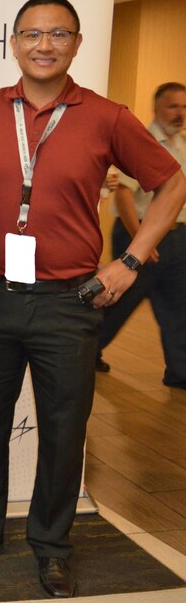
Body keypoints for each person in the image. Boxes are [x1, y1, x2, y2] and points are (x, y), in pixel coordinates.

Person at [0, 0, 186, 598]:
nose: (44, 45)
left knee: (63, 429)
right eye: (31, 34)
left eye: (57, 34)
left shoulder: (107, 117)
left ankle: (51, 547)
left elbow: (173, 181)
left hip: (70, 303)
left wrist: (130, 261)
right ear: (14, 42)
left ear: (76, 44)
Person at [95, 82, 186, 387]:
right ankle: (88, 349)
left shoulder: (181, 145)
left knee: (178, 306)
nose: (180, 113)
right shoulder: (143, 140)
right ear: (158, 108)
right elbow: (122, 194)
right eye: (173, 106)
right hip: (143, 233)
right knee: (119, 300)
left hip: (176, 238)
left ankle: (180, 371)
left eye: (184, 107)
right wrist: (141, 243)